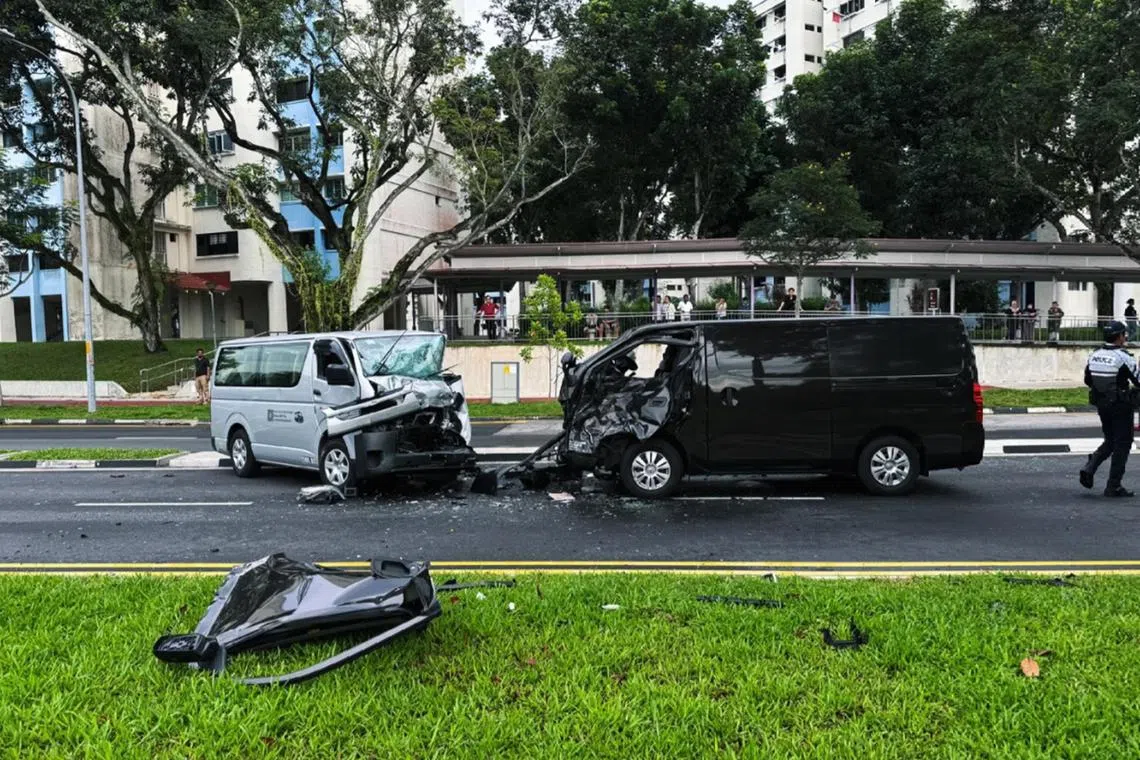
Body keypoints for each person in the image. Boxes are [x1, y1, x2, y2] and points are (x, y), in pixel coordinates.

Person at [1079, 321, 1140, 497]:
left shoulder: (1094, 355)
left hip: (1102, 405)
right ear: (1120, 336)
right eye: (1124, 334)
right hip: (1121, 406)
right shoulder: (1123, 357)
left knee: (1110, 440)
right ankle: (1113, 486)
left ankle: (1090, 467)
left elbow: (1088, 380)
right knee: (1123, 444)